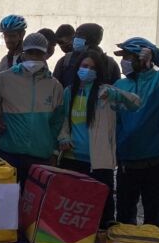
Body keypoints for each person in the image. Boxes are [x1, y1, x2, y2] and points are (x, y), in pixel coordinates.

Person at [59, 50, 141, 225]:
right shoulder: (68, 92)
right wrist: (63, 137)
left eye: (92, 68)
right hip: (71, 159)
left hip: (99, 163)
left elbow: (135, 103)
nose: (87, 70)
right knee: (72, 209)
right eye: (84, 66)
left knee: (103, 212)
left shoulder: (106, 92)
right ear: (77, 67)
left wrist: (116, 95)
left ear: (99, 72)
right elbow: (64, 120)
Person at [113, 36, 159, 227]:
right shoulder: (120, 85)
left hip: (155, 161)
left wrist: (155, 54)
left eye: (127, 56)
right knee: (124, 217)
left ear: (141, 58)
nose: (123, 61)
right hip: (127, 162)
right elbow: (115, 121)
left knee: (154, 217)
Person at [0, 31, 65, 183]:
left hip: (41, 157)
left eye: (38, 53)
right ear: (23, 54)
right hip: (9, 154)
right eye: (30, 52)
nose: (34, 57)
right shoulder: (3, 79)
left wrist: (52, 150)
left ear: (46, 55)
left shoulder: (54, 86)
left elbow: (58, 121)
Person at [53, 22, 121, 87]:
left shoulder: (110, 64)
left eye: (79, 36)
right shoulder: (65, 61)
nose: (74, 39)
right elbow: (55, 89)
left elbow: (116, 93)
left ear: (90, 39)